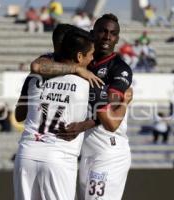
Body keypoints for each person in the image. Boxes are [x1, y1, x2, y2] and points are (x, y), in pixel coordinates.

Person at [31, 14, 133, 200]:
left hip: (108, 150)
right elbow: (38, 66)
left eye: (113, 33)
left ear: (117, 38)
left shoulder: (119, 68)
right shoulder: (79, 58)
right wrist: (77, 69)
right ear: (92, 33)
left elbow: (110, 111)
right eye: (103, 31)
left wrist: (83, 125)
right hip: (85, 153)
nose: (107, 37)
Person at [13, 28, 96, 200]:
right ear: (79, 57)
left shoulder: (34, 77)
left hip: (26, 154)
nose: (93, 59)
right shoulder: (87, 81)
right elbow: (107, 115)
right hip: (60, 158)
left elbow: (19, 114)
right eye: (91, 55)